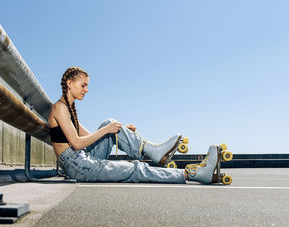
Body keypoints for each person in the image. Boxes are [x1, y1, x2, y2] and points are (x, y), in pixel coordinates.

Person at [48, 66, 228, 184]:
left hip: (82, 158)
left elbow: (89, 138)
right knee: (134, 169)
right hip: (77, 166)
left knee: (110, 124)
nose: (86, 89)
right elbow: (77, 144)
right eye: (83, 85)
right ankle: (193, 174)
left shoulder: (69, 109)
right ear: (70, 83)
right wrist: (107, 130)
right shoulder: (60, 108)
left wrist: (120, 131)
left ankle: (150, 150)